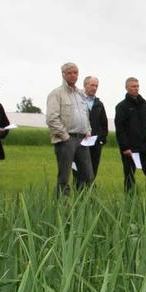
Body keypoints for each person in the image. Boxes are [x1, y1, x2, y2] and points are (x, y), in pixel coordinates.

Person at [47, 62, 94, 195]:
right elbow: (52, 118)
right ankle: (63, 206)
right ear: (63, 75)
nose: (73, 75)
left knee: (88, 175)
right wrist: (65, 136)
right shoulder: (57, 94)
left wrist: (88, 130)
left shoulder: (80, 94)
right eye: (70, 73)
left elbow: (85, 115)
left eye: (75, 73)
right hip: (66, 140)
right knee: (64, 177)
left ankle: (85, 205)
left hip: (82, 140)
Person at [114, 77, 146, 197]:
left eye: (137, 86)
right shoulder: (122, 106)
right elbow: (120, 129)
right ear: (126, 88)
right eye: (133, 86)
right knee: (130, 176)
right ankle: (130, 201)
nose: (136, 88)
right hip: (129, 149)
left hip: (144, 147)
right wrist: (125, 147)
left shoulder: (143, 104)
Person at [79, 76, 109, 184]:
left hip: (95, 143)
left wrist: (101, 140)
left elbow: (104, 124)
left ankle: (90, 195)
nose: (94, 88)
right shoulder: (78, 101)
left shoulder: (99, 104)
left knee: (93, 171)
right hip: (80, 142)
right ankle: (79, 196)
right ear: (85, 85)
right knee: (79, 172)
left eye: (96, 86)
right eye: (92, 85)